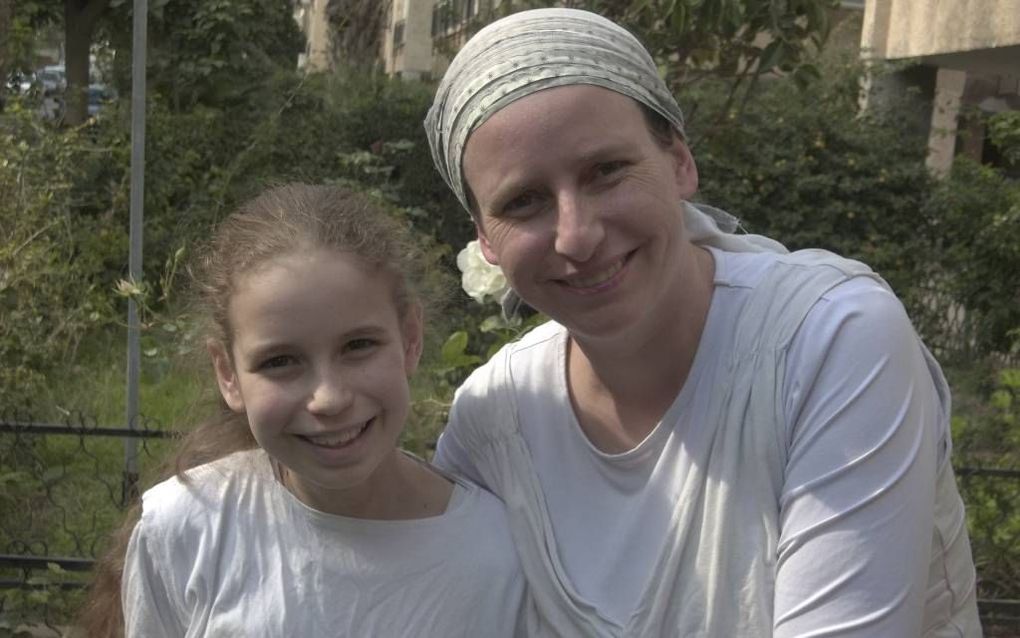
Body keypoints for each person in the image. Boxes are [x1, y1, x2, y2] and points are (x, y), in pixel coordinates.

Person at [425, 8, 981, 637]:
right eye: (523, 202)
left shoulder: (826, 341)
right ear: (486, 240)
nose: (577, 236)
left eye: (605, 171)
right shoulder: (494, 422)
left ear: (680, 162)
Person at [78, 184, 529, 637]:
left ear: (410, 338)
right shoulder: (187, 531)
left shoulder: (497, 555)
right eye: (280, 362)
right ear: (228, 374)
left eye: (358, 346)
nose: (329, 398)